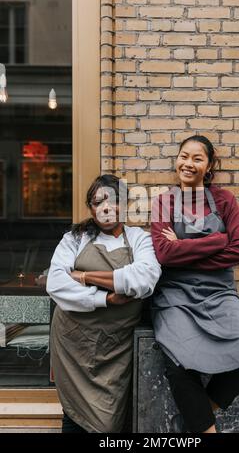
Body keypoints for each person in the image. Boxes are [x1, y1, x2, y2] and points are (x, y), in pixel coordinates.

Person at [150, 135, 239, 434]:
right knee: (178, 363)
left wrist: (184, 250)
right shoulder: (164, 202)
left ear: (209, 165)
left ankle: (199, 417)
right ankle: (205, 430)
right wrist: (216, 241)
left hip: (219, 293)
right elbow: (164, 254)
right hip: (175, 295)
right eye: (183, 156)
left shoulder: (225, 200)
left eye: (197, 158)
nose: (188, 163)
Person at [46, 174, 161, 433]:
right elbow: (56, 284)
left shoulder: (140, 239)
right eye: (99, 202)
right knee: (74, 413)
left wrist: (85, 277)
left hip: (116, 347)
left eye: (113, 200)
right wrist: (106, 297)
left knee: (110, 419)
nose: (106, 207)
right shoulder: (75, 239)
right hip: (74, 344)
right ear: (92, 208)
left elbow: (143, 280)